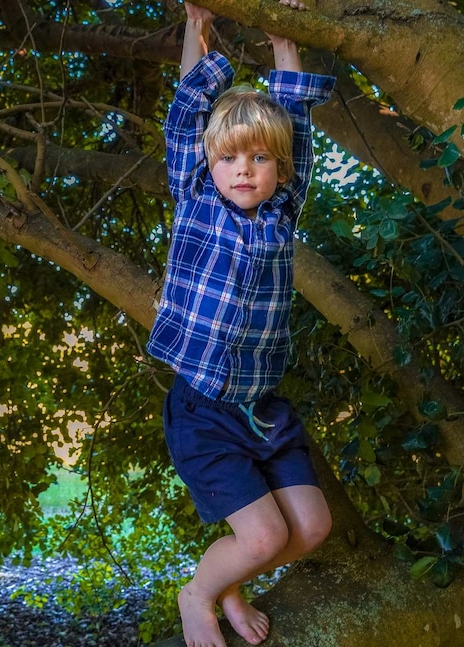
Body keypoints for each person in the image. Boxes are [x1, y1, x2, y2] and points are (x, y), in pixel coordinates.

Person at [146, 3, 336, 646]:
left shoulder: (284, 211)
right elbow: (183, 118)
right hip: (203, 410)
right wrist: (197, 37)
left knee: (309, 529)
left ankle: (229, 580)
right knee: (263, 535)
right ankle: (199, 594)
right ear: (212, 163)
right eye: (231, 158)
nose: (245, 169)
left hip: (264, 406)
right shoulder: (197, 194)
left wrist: (287, 42)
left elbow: (298, 128)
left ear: (279, 170)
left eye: (260, 158)